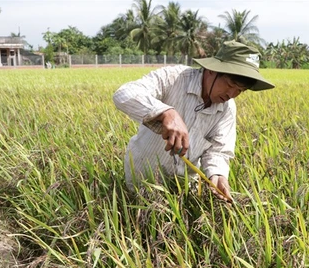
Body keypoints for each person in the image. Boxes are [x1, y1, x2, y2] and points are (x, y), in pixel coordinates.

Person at [113, 40, 275, 201]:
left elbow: (218, 150)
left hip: (185, 186)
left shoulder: (227, 108)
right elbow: (125, 93)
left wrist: (217, 175)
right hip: (143, 180)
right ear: (212, 70)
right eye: (230, 84)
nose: (232, 94)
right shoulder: (172, 78)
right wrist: (166, 112)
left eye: (240, 90)